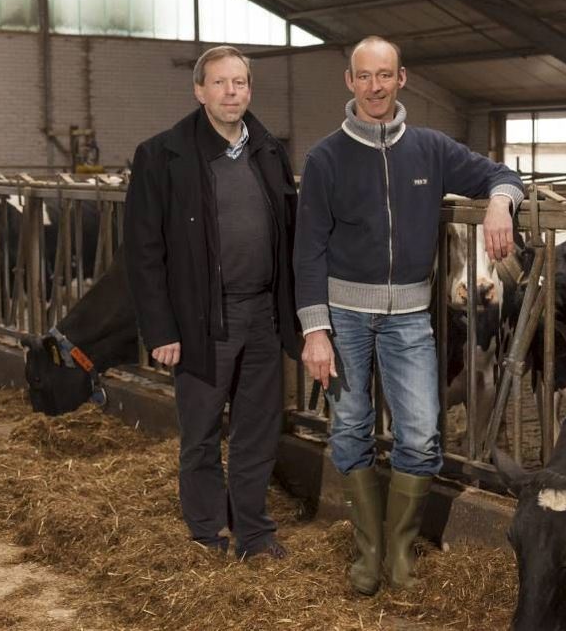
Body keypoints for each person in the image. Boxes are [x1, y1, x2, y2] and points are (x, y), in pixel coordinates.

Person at [294, 35, 524, 594]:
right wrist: (314, 330)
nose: (375, 86)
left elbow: (501, 173)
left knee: (421, 435)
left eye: (385, 75)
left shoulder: (431, 149)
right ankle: (368, 553)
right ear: (350, 82)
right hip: (344, 314)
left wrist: (499, 204)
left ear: (403, 79)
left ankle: (400, 552)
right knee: (351, 426)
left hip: (410, 316)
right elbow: (308, 248)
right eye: (364, 76)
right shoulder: (325, 157)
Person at [124, 45, 300, 560]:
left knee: (257, 430)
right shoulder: (162, 154)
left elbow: (286, 232)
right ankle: (206, 533)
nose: (231, 93)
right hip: (202, 319)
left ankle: (255, 532)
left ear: (250, 89)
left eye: (240, 83)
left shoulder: (268, 149)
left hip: (262, 315)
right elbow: (143, 251)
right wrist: (161, 330)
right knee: (200, 433)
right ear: (199, 89)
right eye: (220, 83)